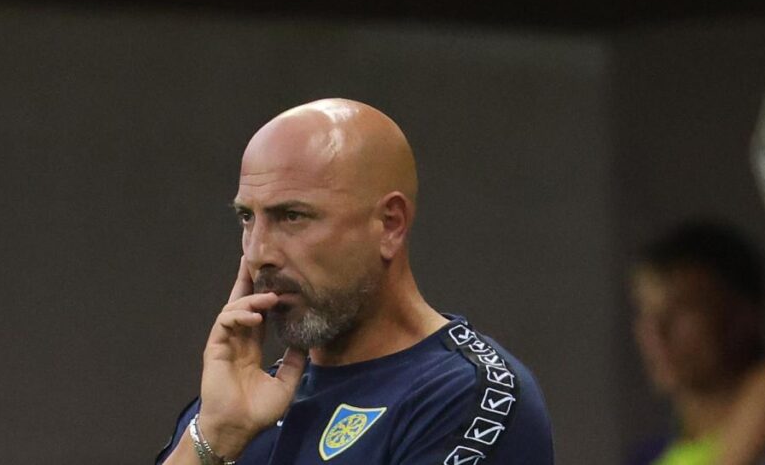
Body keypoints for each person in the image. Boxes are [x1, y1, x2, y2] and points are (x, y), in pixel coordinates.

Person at [155, 98, 553, 464]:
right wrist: (212, 439)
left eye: (292, 216)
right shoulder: (234, 407)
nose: (259, 253)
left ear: (390, 225)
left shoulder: (468, 397)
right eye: (247, 217)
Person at [627, 219, 765, 465]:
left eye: (682, 310)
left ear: (743, 317)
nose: (656, 332)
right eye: (644, 311)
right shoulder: (644, 458)